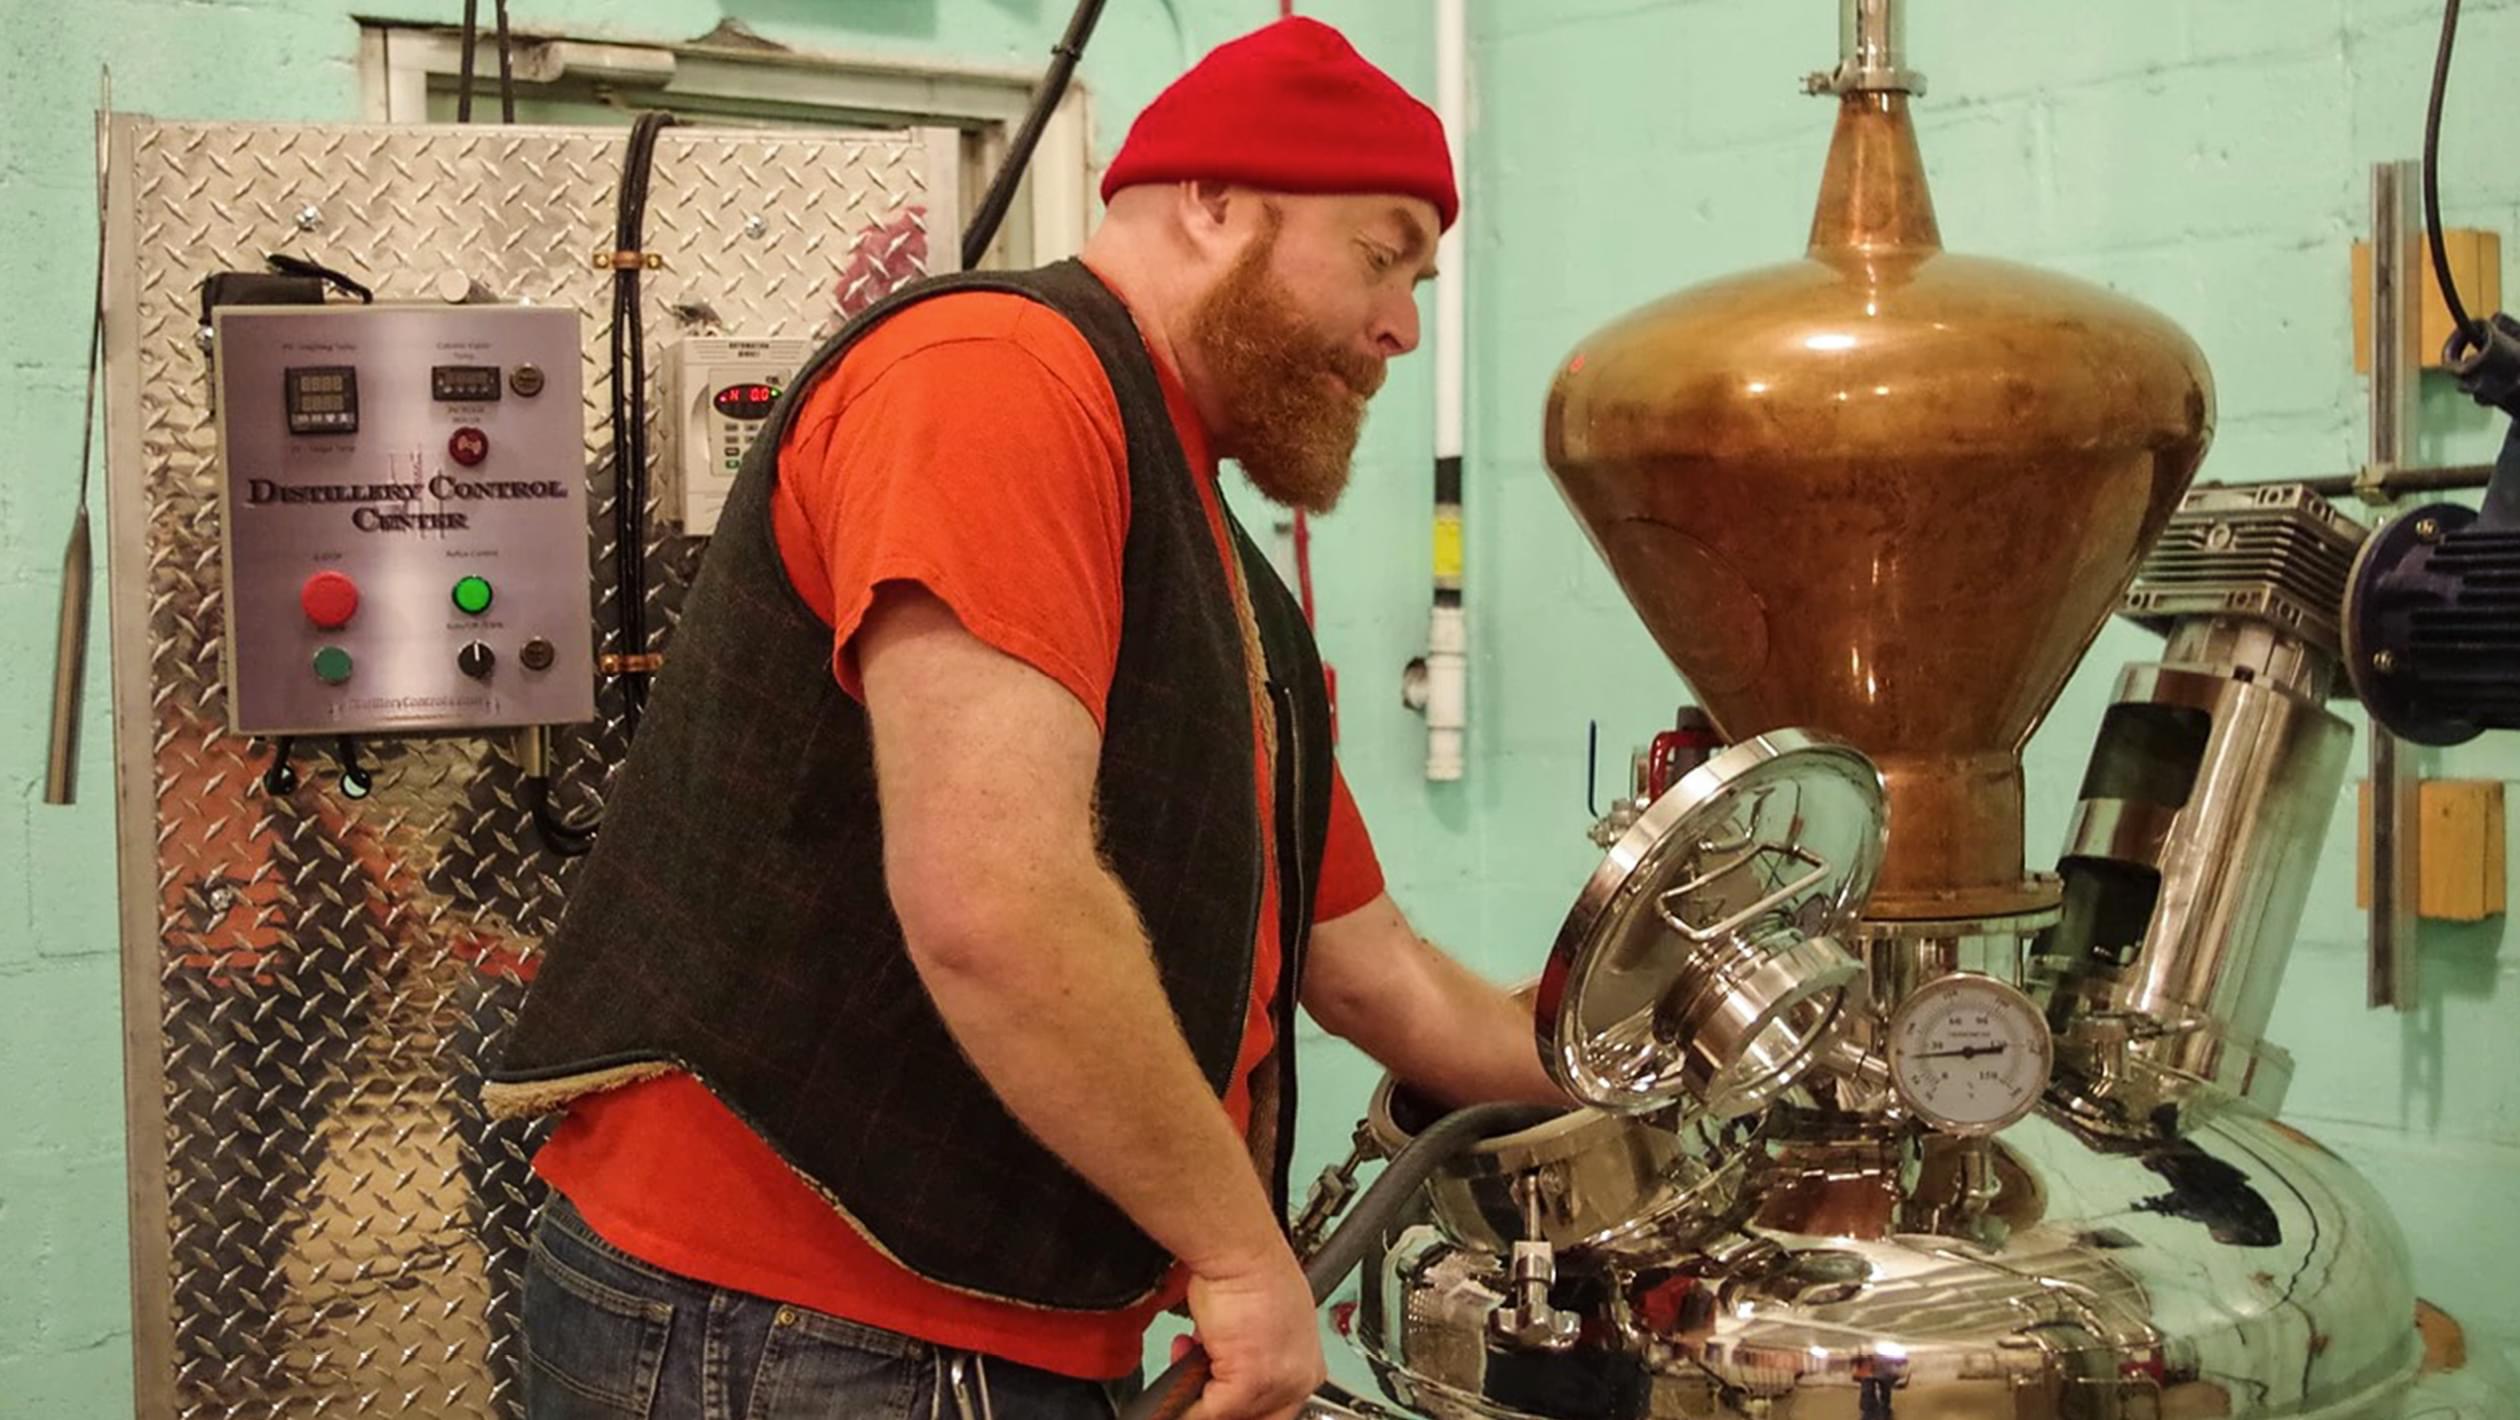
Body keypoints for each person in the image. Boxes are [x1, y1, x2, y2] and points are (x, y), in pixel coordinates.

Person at [484, 17, 1563, 1419]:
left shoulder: (1215, 570)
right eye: (1382, 254)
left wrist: (1651, 1055)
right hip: (796, 1323)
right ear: (1217, 201)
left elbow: (1375, 977)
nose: (1406, 324)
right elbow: (996, 902)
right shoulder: (1002, 378)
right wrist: (1241, 1257)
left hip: (972, 1321)